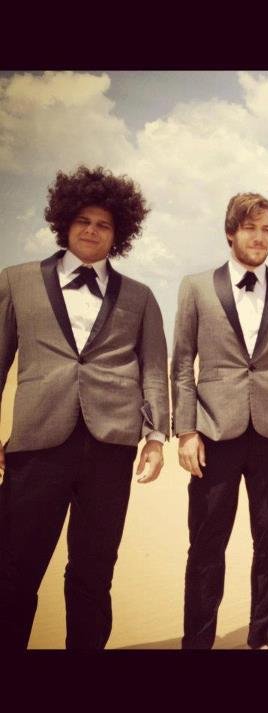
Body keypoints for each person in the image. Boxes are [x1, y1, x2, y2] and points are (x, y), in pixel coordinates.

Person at [0, 165, 169, 649]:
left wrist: (156, 437)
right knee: (14, 569)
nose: (92, 231)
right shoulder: (16, 281)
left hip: (110, 449)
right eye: (83, 221)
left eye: (104, 224)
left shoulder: (140, 296)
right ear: (65, 222)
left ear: (119, 233)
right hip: (36, 444)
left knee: (94, 573)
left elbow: (153, 369)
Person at [172, 192, 268, 650]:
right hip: (214, 435)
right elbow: (182, 366)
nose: (259, 237)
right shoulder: (195, 287)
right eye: (250, 228)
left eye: (267, 229)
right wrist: (187, 431)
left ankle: (261, 639)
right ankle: (197, 643)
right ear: (231, 232)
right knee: (206, 545)